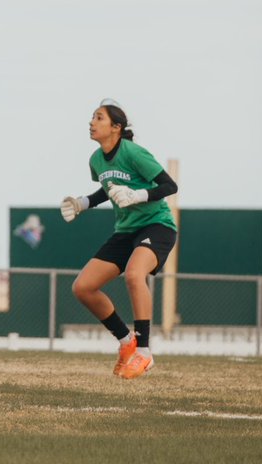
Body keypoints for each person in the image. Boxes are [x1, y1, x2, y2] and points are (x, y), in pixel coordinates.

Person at [61, 98, 179, 379]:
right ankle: (127, 343)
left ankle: (145, 353)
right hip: (126, 230)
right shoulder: (96, 160)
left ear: (117, 127)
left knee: (134, 275)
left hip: (156, 225)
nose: (92, 122)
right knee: (83, 287)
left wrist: (138, 195)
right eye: (92, 117)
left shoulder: (134, 153)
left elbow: (169, 185)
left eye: (99, 118)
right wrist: (83, 203)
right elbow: (107, 187)